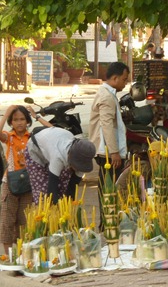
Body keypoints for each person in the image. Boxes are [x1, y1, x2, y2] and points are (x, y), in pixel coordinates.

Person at [0, 106, 52, 253]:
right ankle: (9, 256)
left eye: (22, 119)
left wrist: (36, 116)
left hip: (29, 183)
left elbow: (53, 130)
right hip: (10, 183)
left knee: (25, 220)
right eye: (15, 120)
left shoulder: (33, 138)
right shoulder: (9, 137)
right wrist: (7, 113)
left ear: (27, 121)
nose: (19, 123)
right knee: (7, 219)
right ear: (11, 123)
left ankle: (23, 254)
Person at [88, 61, 130, 229]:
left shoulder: (108, 93)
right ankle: (107, 223)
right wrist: (114, 152)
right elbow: (106, 125)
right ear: (115, 78)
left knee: (107, 187)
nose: (125, 83)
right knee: (108, 188)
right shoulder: (106, 96)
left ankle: (107, 221)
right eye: (124, 79)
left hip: (107, 150)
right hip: (106, 152)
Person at [26, 127, 96, 205]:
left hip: (53, 144)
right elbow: (51, 191)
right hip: (35, 150)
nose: (77, 168)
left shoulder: (84, 157)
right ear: (70, 156)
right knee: (43, 194)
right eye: (76, 164)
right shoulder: (58, 156)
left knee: (63, 187)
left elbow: (73, 185)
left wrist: (69, 205)